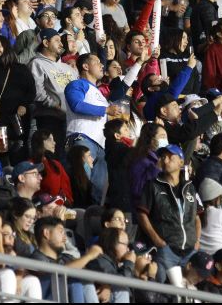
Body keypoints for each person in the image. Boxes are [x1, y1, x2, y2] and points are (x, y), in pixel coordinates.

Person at [137, 144, 200, 288]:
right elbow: (142, 214)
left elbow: (197, 217)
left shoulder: (190, 187)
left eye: (170, 157)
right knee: (162, 289)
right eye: (163, 157)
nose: (165, 160)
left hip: (190, 250)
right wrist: (157, 240)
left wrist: (197, 241)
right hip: (166, 249)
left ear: (181, 162)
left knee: (188, 292)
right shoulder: (153, 185)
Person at [65, 53, 122, 204]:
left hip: (101, 146)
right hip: (82, 139)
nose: (102, 65)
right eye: (97, 62)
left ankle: (93, 217)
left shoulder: (100, 94)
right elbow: (76, 105)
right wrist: (105, 110)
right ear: (85, 66)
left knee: (98, 194)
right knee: (81, 187)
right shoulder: (77, 84)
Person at [29, 28, 78, 157]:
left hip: (71, 120)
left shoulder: (68, 68)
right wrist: (55, 105)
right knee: (55, 157)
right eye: (57, 40)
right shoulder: (37, 63)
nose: (61, 44)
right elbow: (37, 92)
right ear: (46, 43)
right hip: (50, 119)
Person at [86, 227, 137, 303]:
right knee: (121, 290)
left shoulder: (113, 264)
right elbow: (120, 283)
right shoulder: (100, 260)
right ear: (113, 243)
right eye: (125, 244)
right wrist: (129, 263)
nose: (128, 249)